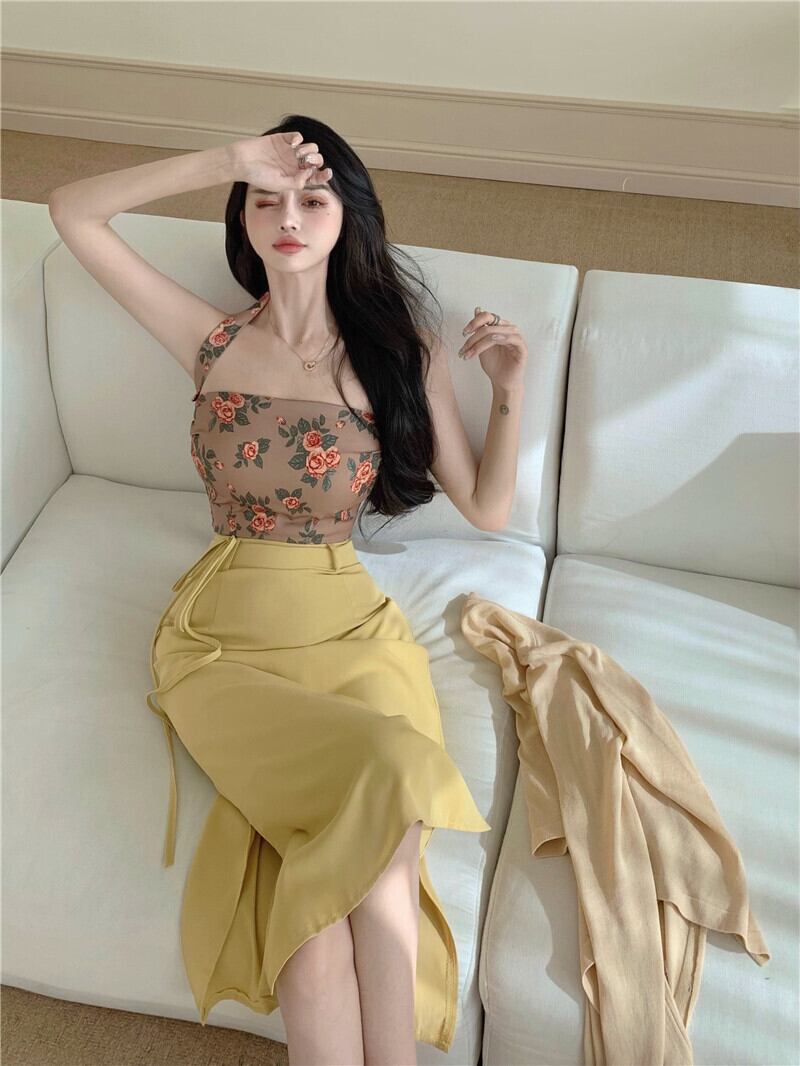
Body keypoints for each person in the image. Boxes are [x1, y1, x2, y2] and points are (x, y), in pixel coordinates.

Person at [48, 113, 523, 1065]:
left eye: (313, 199)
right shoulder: (211, 339)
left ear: (349, 218)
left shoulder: (401, 352)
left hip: (354, 634)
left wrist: (509, 389)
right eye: (266, 201)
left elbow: (487, 507)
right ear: (243, 218)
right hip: (226, 640)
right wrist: (230, 158)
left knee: (323, 932)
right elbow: (71, 211)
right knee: (382, 786)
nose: (290, 219)